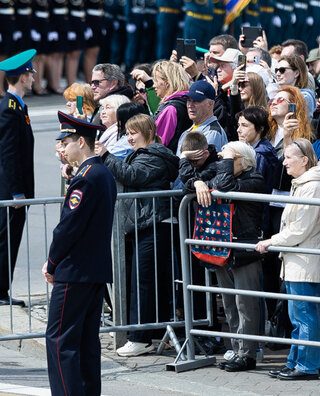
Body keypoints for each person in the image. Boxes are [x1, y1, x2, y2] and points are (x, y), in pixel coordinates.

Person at [44, 112, 115, 396]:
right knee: (86, 342)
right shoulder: (101, 173)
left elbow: (68, 229)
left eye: (67, 142)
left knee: (61, 341)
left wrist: (51, 262)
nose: (63, 148)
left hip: (74, 270)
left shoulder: (86, 178)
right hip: (94, 270)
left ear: (81, 142)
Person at [98, 114, 179, 357]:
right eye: (127, 133)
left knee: (143, 283)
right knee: (147, 282)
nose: (129, 138)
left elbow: (132, 175)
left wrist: (105, 156)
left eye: (134, 133)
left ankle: (140, 338)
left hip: (155, 225)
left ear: (148, 132)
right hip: (146, 225)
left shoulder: (155, 156)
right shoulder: (147, 154)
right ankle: (151, 334)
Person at [255, 138, 320, 381]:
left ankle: (306, 366)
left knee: (305, 316)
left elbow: (300, 229)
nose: (284, 162)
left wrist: (271, 241)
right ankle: (295, 362)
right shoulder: (303, 184)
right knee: (299, 318)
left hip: (305, 262)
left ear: (304, 160)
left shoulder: (312, 187)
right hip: (297, 261)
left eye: (289, 158)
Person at [191, 141, 266, 373]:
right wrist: (197, 181)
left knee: (246, 304)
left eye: (229, 160)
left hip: (244, 249)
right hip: (223, 248)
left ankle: (248, 353)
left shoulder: (254, 179)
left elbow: (224, 184)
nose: (222, 164)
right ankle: (236, 348)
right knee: (230, 303)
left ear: (243, 161)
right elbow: (186, 185)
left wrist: (223, 163)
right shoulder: (227, 174)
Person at [0, 49, 36, 308]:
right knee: (6, 240)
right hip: (12, 190)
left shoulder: (17, 106)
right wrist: (17, 192)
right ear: (23, 77)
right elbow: (9, 154)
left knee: (10, 240)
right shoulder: (9, 108)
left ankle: (0, 290)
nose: (33, 79)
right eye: (30, 74)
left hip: (18, 189)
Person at [132, 60, 191, 152]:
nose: (154, 85)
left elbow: (157, 146)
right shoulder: (186, 101)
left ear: (167, 82)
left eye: (156, 81)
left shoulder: (170, 109)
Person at [175, 80, 228, 153]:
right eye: (189, 100)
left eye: (196, 101)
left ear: (210, 104)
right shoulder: (188, 131)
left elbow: (199, 163)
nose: (190, 105)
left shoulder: (212, 133)